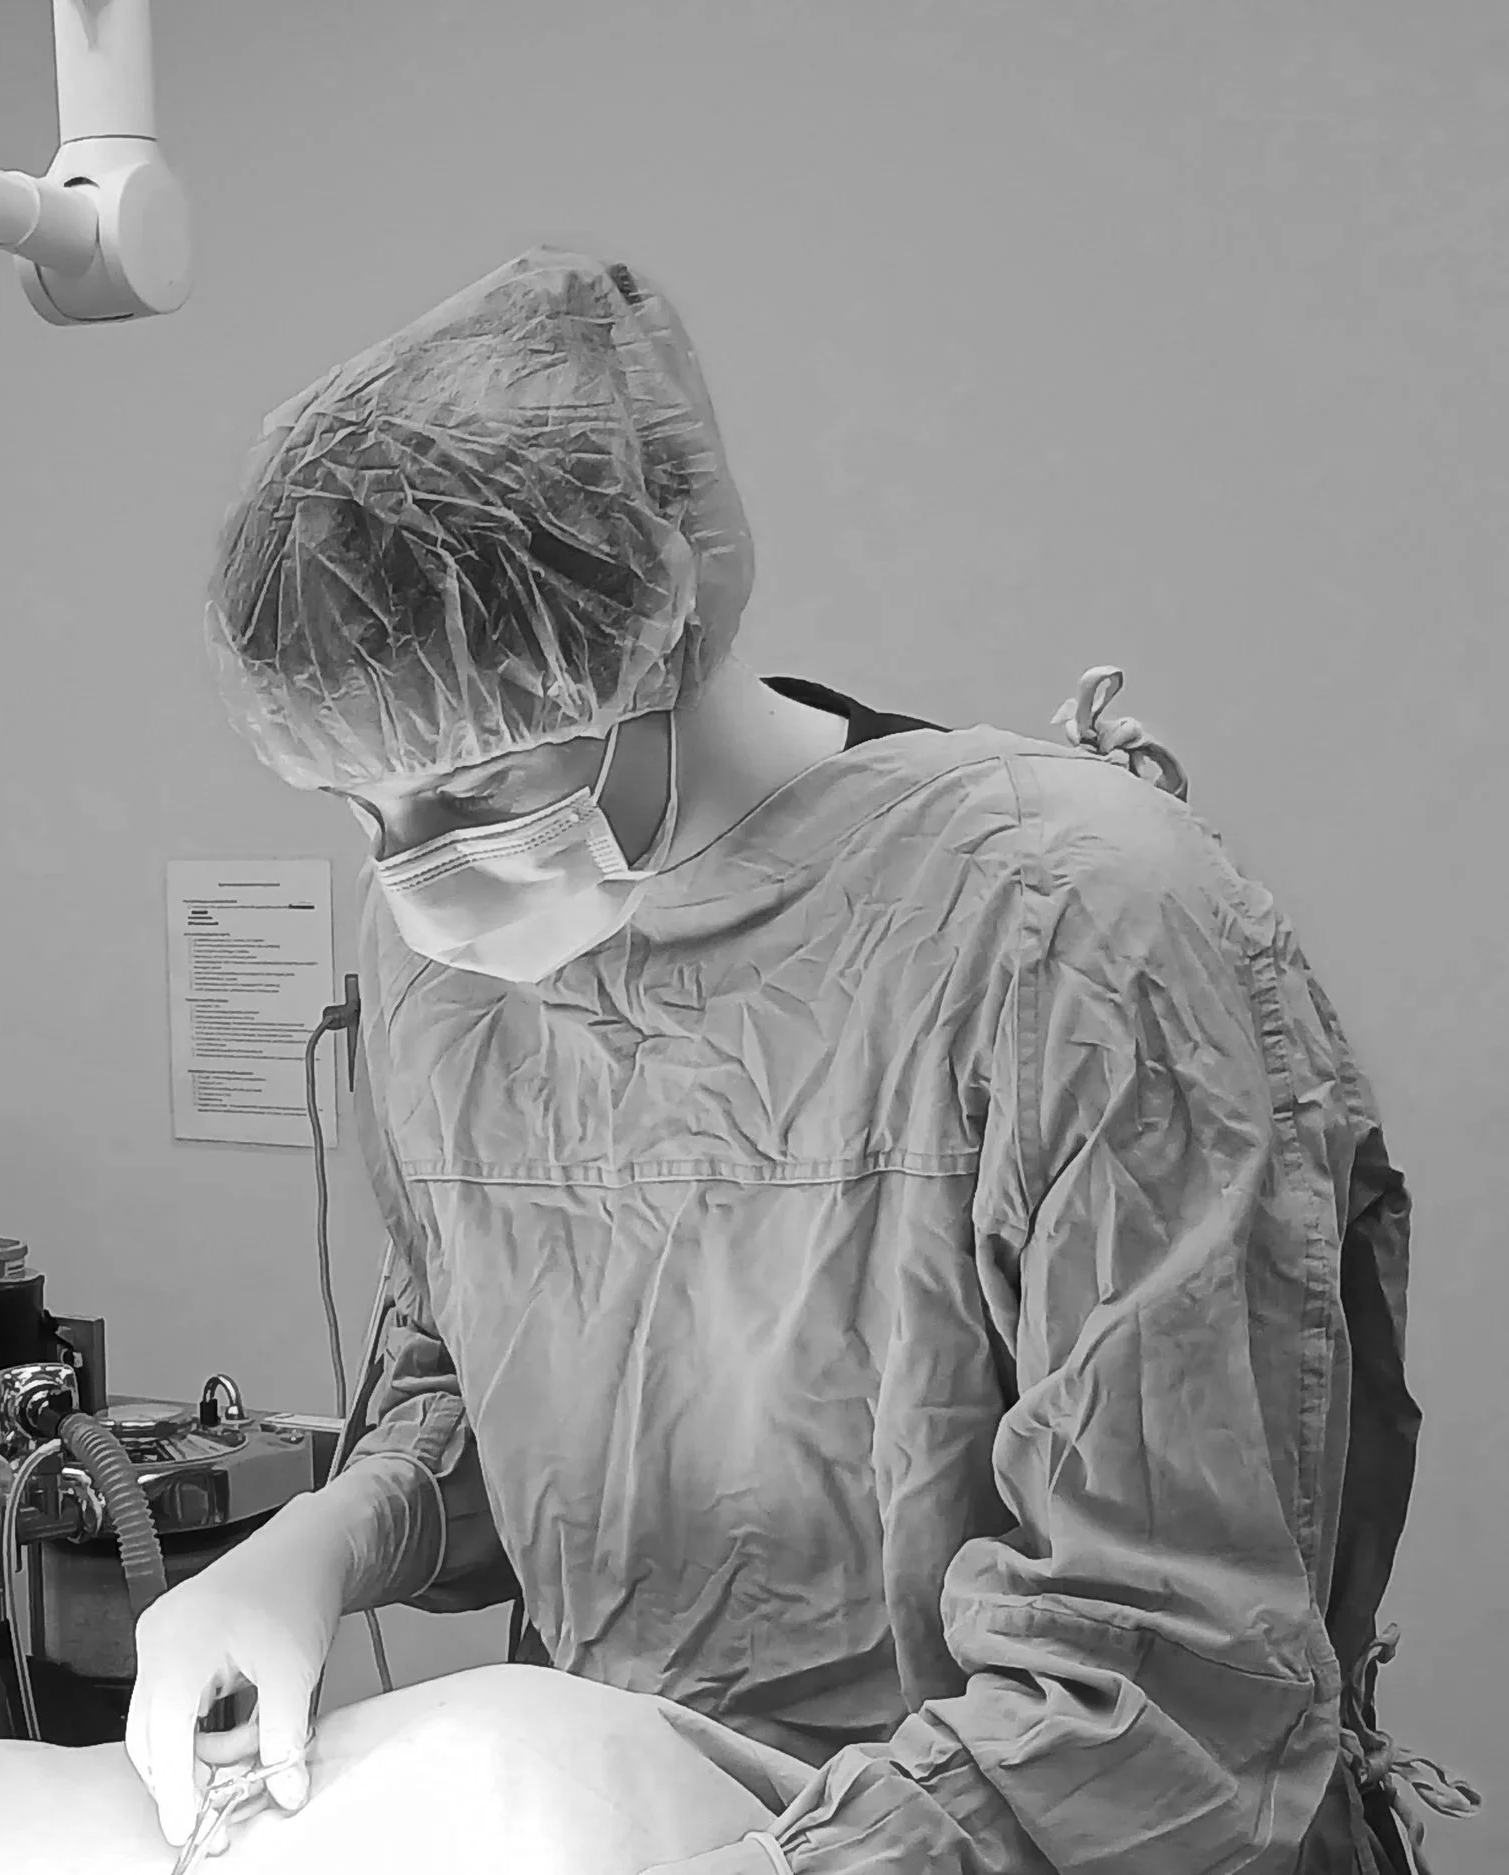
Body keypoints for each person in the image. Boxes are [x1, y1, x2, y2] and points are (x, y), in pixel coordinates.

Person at [126, 249, 1470, 1874]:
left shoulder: (1077, 933)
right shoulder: (437, 969)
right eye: (358, 808)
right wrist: (325, 1539)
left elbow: (1166, 1693)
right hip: (630, 1815)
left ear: (639, 637)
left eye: (476, 788)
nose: (413, 872)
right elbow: (488, 1392)